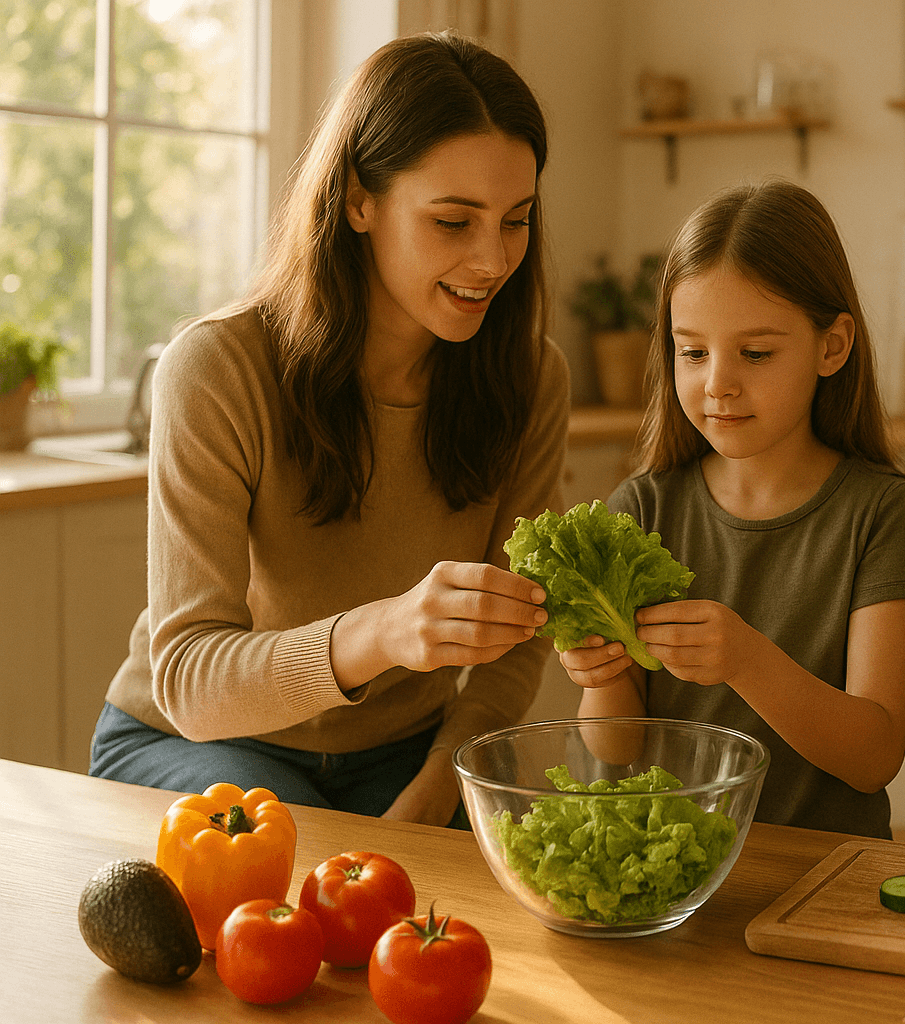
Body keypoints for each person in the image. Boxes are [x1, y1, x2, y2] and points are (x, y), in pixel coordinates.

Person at [89, 32, 568, 827]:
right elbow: (191, 681)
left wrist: (438, 790)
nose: (492, 260)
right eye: (453, 221)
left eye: (515, 220)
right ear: (357, 200)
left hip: (408, 755)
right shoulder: (216, 369)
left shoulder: (529, 377)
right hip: (192, 742)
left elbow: (514, 639)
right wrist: (384, 630)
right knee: (315, 883)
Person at [558, 179, 905, 839]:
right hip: (671, 882)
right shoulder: (641, 507)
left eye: (756, 353)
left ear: (832, 346)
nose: (718, 383)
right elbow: (617, 747)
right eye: (693, 352)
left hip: (821, 880)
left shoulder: (880, 511)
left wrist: (745, 659)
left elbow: (875, 757)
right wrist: (599, 677)